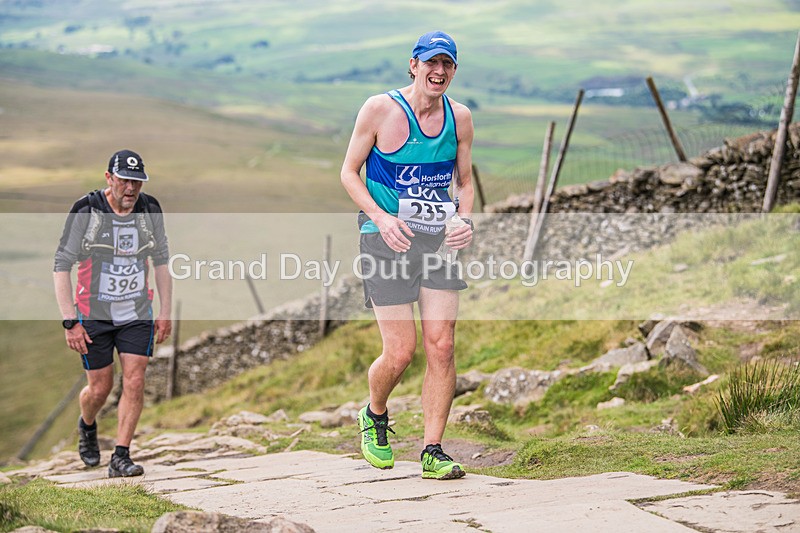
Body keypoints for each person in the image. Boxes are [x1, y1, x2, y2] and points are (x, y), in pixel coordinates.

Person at [341, 31, 475, 480]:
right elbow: (347, 172)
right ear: (413, 65)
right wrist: (380, 217)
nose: (439, 72)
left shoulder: (460, 118)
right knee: (400, 352)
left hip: (437, 241)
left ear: (454, 70)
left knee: (443, 344)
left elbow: (466, 182)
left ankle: (433, 450)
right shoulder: (379, 109)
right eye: (431, 63)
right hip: (387, 238)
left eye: (448, 65)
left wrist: (464, 219)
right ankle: (374, 412)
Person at [53, 149, 172, 478]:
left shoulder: (149, 209)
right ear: (109, 178)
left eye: (137, 181)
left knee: (135, 380)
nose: (131, 188)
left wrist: (165, 311)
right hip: (94, 314)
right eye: (124, 180)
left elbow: (161, 261)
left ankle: (121, 455)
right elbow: (62, 265)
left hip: (137, 311)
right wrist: (70, 321)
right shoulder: (87, 210)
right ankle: (87, 423)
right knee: (99, 389)